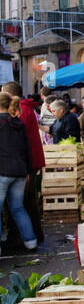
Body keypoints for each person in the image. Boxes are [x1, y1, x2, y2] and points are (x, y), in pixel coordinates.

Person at [0, 93, 38, 250]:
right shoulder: (18, 122)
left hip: (2, 170)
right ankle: (31, 242)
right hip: (20, 171)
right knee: (18, 208)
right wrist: (28, 170)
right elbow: (27, 149)